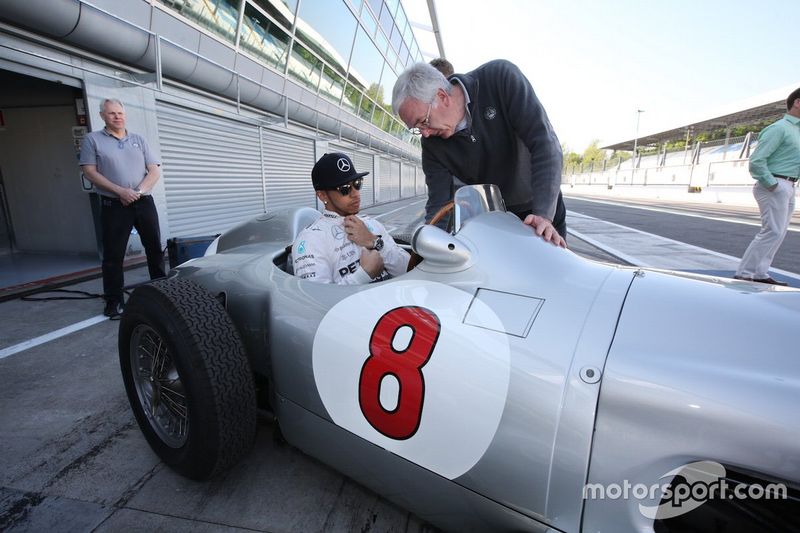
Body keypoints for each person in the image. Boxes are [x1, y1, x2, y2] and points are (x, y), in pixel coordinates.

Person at [392, 60, 567, 247]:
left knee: (553, 269)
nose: (425, 133)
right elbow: (439, 203)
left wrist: (543, 215)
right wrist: (432, 244)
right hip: (497, 218)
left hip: (540, 203)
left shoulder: (500, 78)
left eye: (423, 121)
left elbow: (545, 142)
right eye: (416, 128)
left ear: (442, 96)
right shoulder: (431, 144)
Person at [80, 98, 166, 317]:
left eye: (120, 113)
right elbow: (90, 171)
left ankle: (162, 291)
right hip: (114, 205)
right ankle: (114, 301)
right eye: (111, 113)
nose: (117, 117)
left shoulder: (138, 139)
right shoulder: (93, 140)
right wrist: (120, 192)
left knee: (154, 248)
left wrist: (136, 192)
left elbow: (154, 171)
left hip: (143, 201)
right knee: (113, 255)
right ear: (102, 116)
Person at [292, 153, 410, 284]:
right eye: (345, 189)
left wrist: (374, 241)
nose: (356, 194)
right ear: (322, 196)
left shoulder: (371, 224)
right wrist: (364, 275)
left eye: (357, 183)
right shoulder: (311, 241)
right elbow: (317, 300)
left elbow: (407, 269)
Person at [734, 87, 800, 286]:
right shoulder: (779, 128)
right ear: (797, 102)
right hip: (775, 183)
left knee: (778, 232)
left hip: (789, 184)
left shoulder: (796, 131)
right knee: (772, 230)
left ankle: (760, 272)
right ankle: (744, 273)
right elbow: (757, 161)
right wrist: (773, 184)